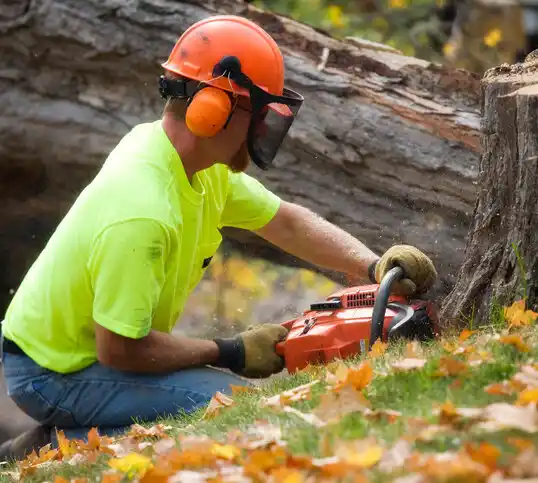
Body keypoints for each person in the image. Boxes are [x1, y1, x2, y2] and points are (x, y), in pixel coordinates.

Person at [0, 14, 437, 460]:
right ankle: (54, 446)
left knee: (227, 399)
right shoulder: (143, 208)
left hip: (89, 351)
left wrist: (373, 265)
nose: (265, 128)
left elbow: (285, 221)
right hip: (53, 370)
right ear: (214, 110)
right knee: (230, 405)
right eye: (259, 112)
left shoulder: (195, 166)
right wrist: (232, 351)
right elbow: (120, 349)